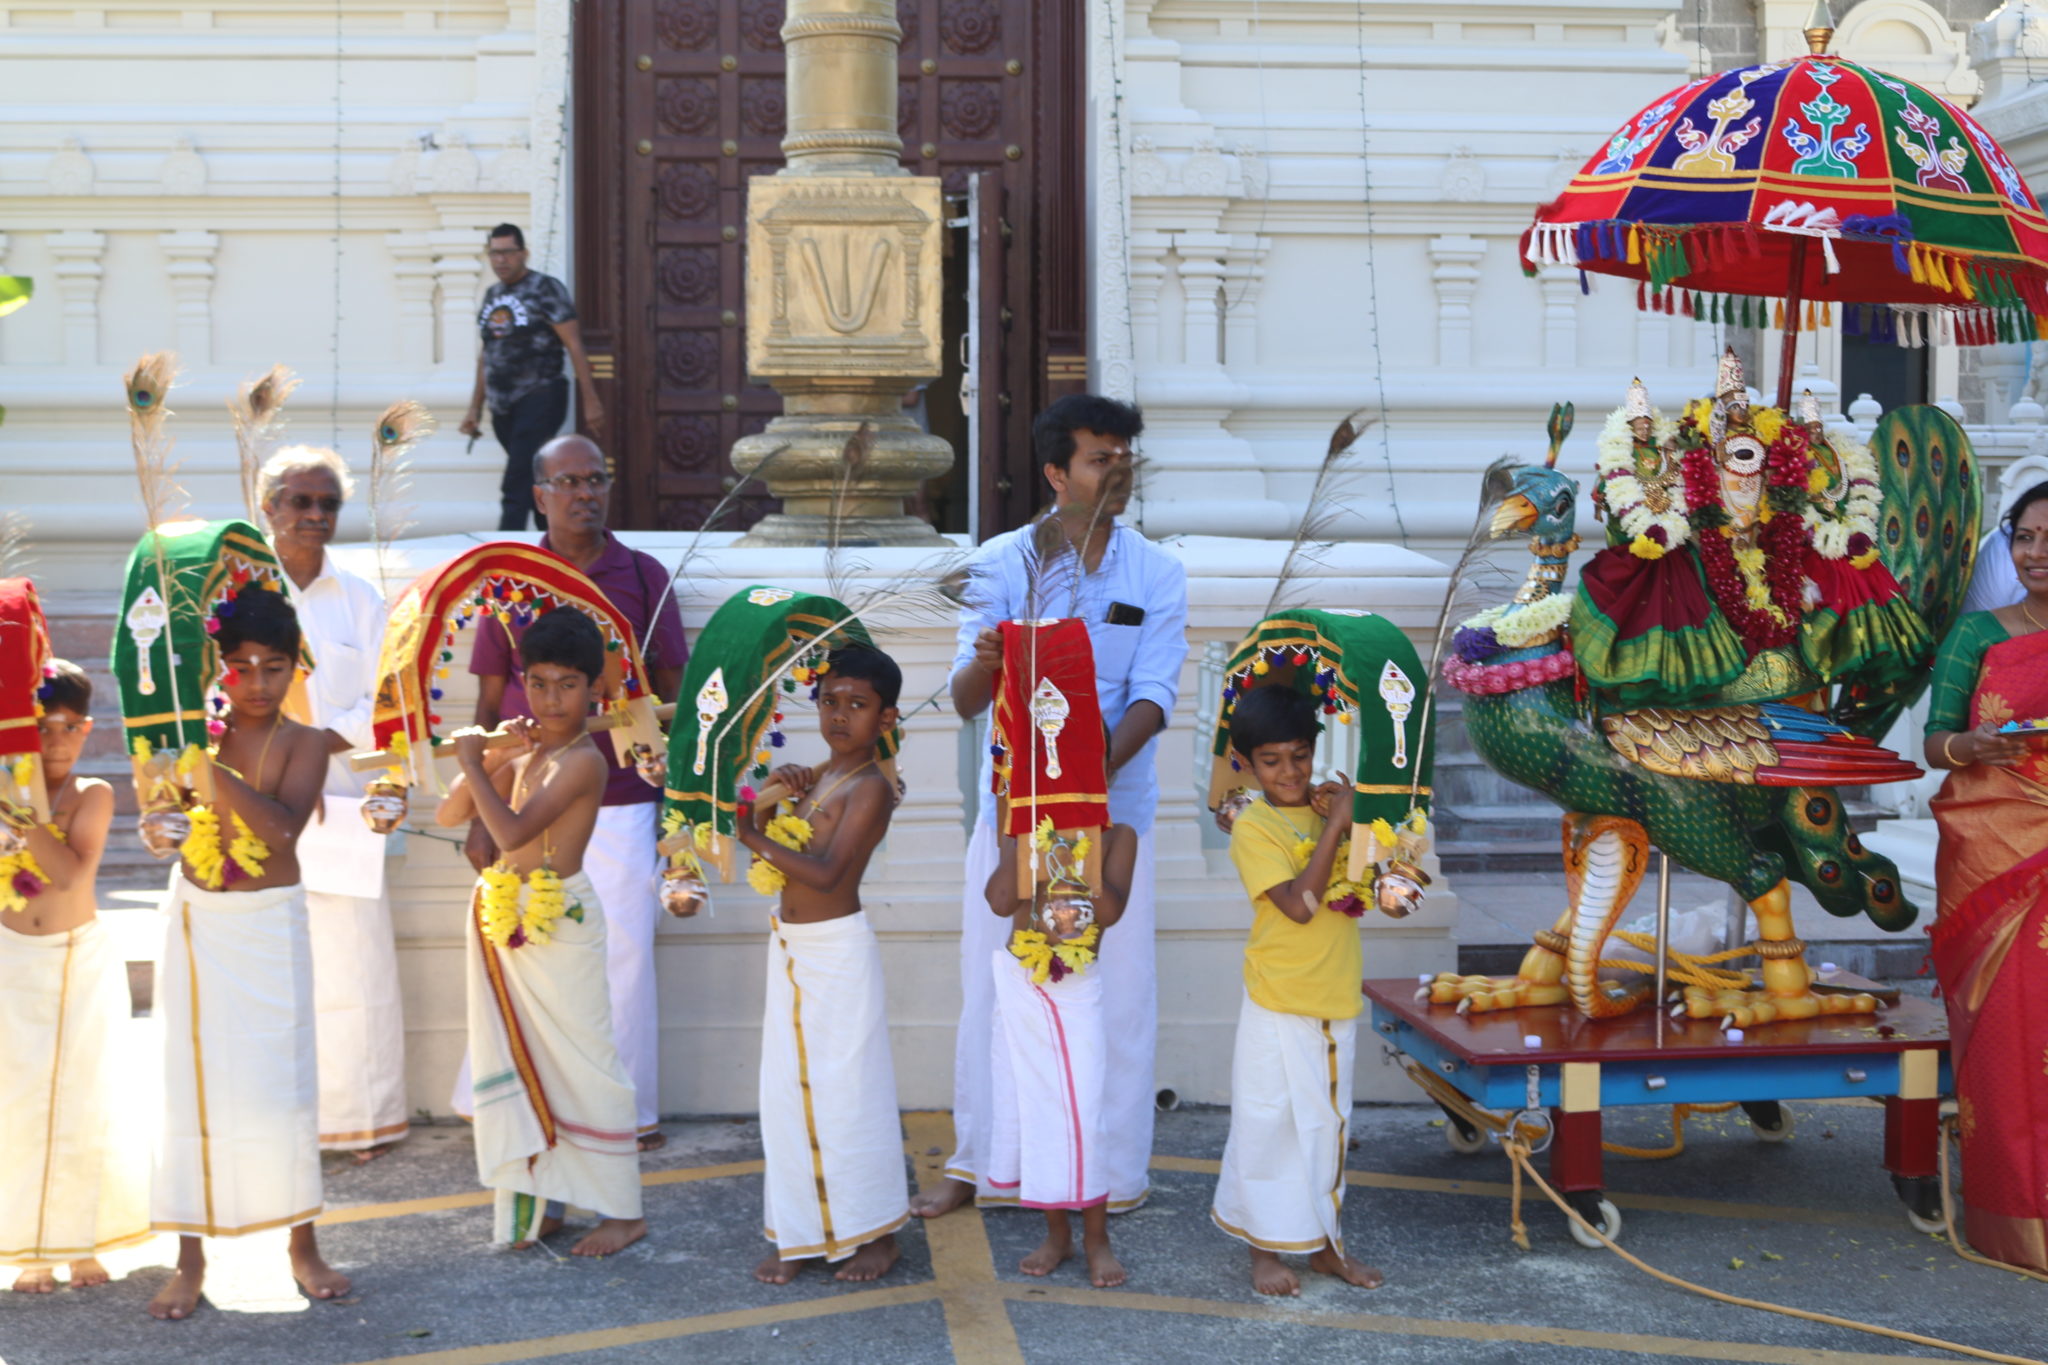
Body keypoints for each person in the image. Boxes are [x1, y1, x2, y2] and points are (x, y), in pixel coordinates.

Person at [917, 394, 1188, 1220]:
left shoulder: (1157, 571)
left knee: (1120, 996)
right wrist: (991, 659)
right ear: (1055, 474)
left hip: (1113, 819)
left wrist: (1079, 778)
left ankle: (1110, 1175)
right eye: (1101, 457)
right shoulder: (1001, 562)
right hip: (1013, 821)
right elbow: (964, 697)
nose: (1119, 469)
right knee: (994, 987)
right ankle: (979, 1165)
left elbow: (1154, 695)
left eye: (1124, 455)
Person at [466, 434, 687, 1150]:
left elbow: (676, 697)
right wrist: (480, 800)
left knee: (622, 955)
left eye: (596, 479)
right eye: (568, 482)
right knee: (527, 943)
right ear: (539, 495)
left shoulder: (644, 576)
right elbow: (490, 703)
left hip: (622, 797)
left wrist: (678, 806)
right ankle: (530, 1100)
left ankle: (628, 1111)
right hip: (528, 800)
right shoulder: (509, 581)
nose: (585, 493)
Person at [148, 585, 348, 1320]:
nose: (256, 684)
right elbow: (167, 814)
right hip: (199, 920)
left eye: (272, 667)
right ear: (219, 667)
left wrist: (213, 773)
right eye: (240, 667)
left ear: (296, 667)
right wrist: (163, 821)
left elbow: (283, 830)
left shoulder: (304, 741)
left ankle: (302, 1246)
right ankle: (190, 1259)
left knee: (279, 1086)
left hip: (268, 924)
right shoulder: (193, 732)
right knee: (190, 1087)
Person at [437, 607, 646, 1256]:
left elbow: (512, 832)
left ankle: (624, 1211)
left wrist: (476, 758)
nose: (551, 698)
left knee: (588, 1064)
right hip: (509, 912)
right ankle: (542, 1201)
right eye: (539, 682)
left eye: (567, 684)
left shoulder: (583, 760)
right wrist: (497, 750)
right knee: (529, 1059)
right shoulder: (529, 752)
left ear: (594, 690)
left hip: (563, 920)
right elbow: (452, 812)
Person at [737, 644, 909, 1285]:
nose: (840, 715)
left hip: (836, 950)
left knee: (849, 1096)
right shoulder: (816, 775)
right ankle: (802, 1232)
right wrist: (778, 799)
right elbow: (793, 839)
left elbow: (832, 871)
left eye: (858, 705)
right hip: (791, 946)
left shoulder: (871, 788)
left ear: (886, 719)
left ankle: (875, 1235)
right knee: (784, 1094)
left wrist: (751, 833)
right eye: (830, 701)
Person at [1210, 685, 1384, 1295]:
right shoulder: (1254, 828)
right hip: (1275, 997)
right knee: (1265, 1124)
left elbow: (1374, 885)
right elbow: (1300, 906)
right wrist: (1336, 825)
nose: (1289, 772)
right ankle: (1264, 1249)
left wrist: (1362, 821)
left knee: (1326, 1128)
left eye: (1299, 755)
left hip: (1333, 993)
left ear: (1315, 751)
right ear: (1247, 765)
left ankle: (1327, 1247)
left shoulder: (1332, 807)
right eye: (1272, 761)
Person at [260, 446, 409, 1160]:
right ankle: (275, 1123)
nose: (315, 515)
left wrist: (315, 744)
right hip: (255, 803)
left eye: (328, 504)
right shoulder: (237, 596)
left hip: (344, 803)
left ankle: (362, 1120)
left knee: (354, 966)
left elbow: (384, 699)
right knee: (268, 963)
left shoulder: (359, 598)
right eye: (300, 501)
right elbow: (207, 695)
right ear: (269, 507)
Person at [1923, 479, 2048, 1274]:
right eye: (2027, 537)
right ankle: (2017, 1216)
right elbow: (1937, 741)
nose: (2038, 555)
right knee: (2011, 1034)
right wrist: (1973, 748)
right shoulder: (1980, 632)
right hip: (1998, 855)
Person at [1, 659, 149, 1292]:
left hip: (77, 960)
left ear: (87, 730)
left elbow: (66, 875)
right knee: (20, 1105)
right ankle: (32, 1248)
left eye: (68, 727)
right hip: (12, 961)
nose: (55, 741)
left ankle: (85, 1240)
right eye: (41, 727)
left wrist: (24, 814)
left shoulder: (93, 793)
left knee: (87, 1100)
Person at [982, 816, 1138, 1287]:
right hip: (1021, 984)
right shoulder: (1020, 828)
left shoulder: (1118, 837)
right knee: (1032, 1110)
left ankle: (1097, 1239)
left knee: (1081, 1115)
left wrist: (1072, 853)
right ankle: (1057, 1234)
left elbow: (1107, 912)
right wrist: (1019, 837)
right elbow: (1001, 901)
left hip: (1075, 991)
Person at [457, 223, 606, 531]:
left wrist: (590, 399)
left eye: (508, 253)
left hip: (541, 396)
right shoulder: (492, 295)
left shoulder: (545, 288)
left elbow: (574, 344)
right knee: (533, 478)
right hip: (503, 408)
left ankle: (503, 554)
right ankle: (554, 547)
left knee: (515, 484)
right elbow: (487, 353)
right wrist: (474, 408)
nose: (501, 260)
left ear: (523, 253)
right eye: (494, 253)